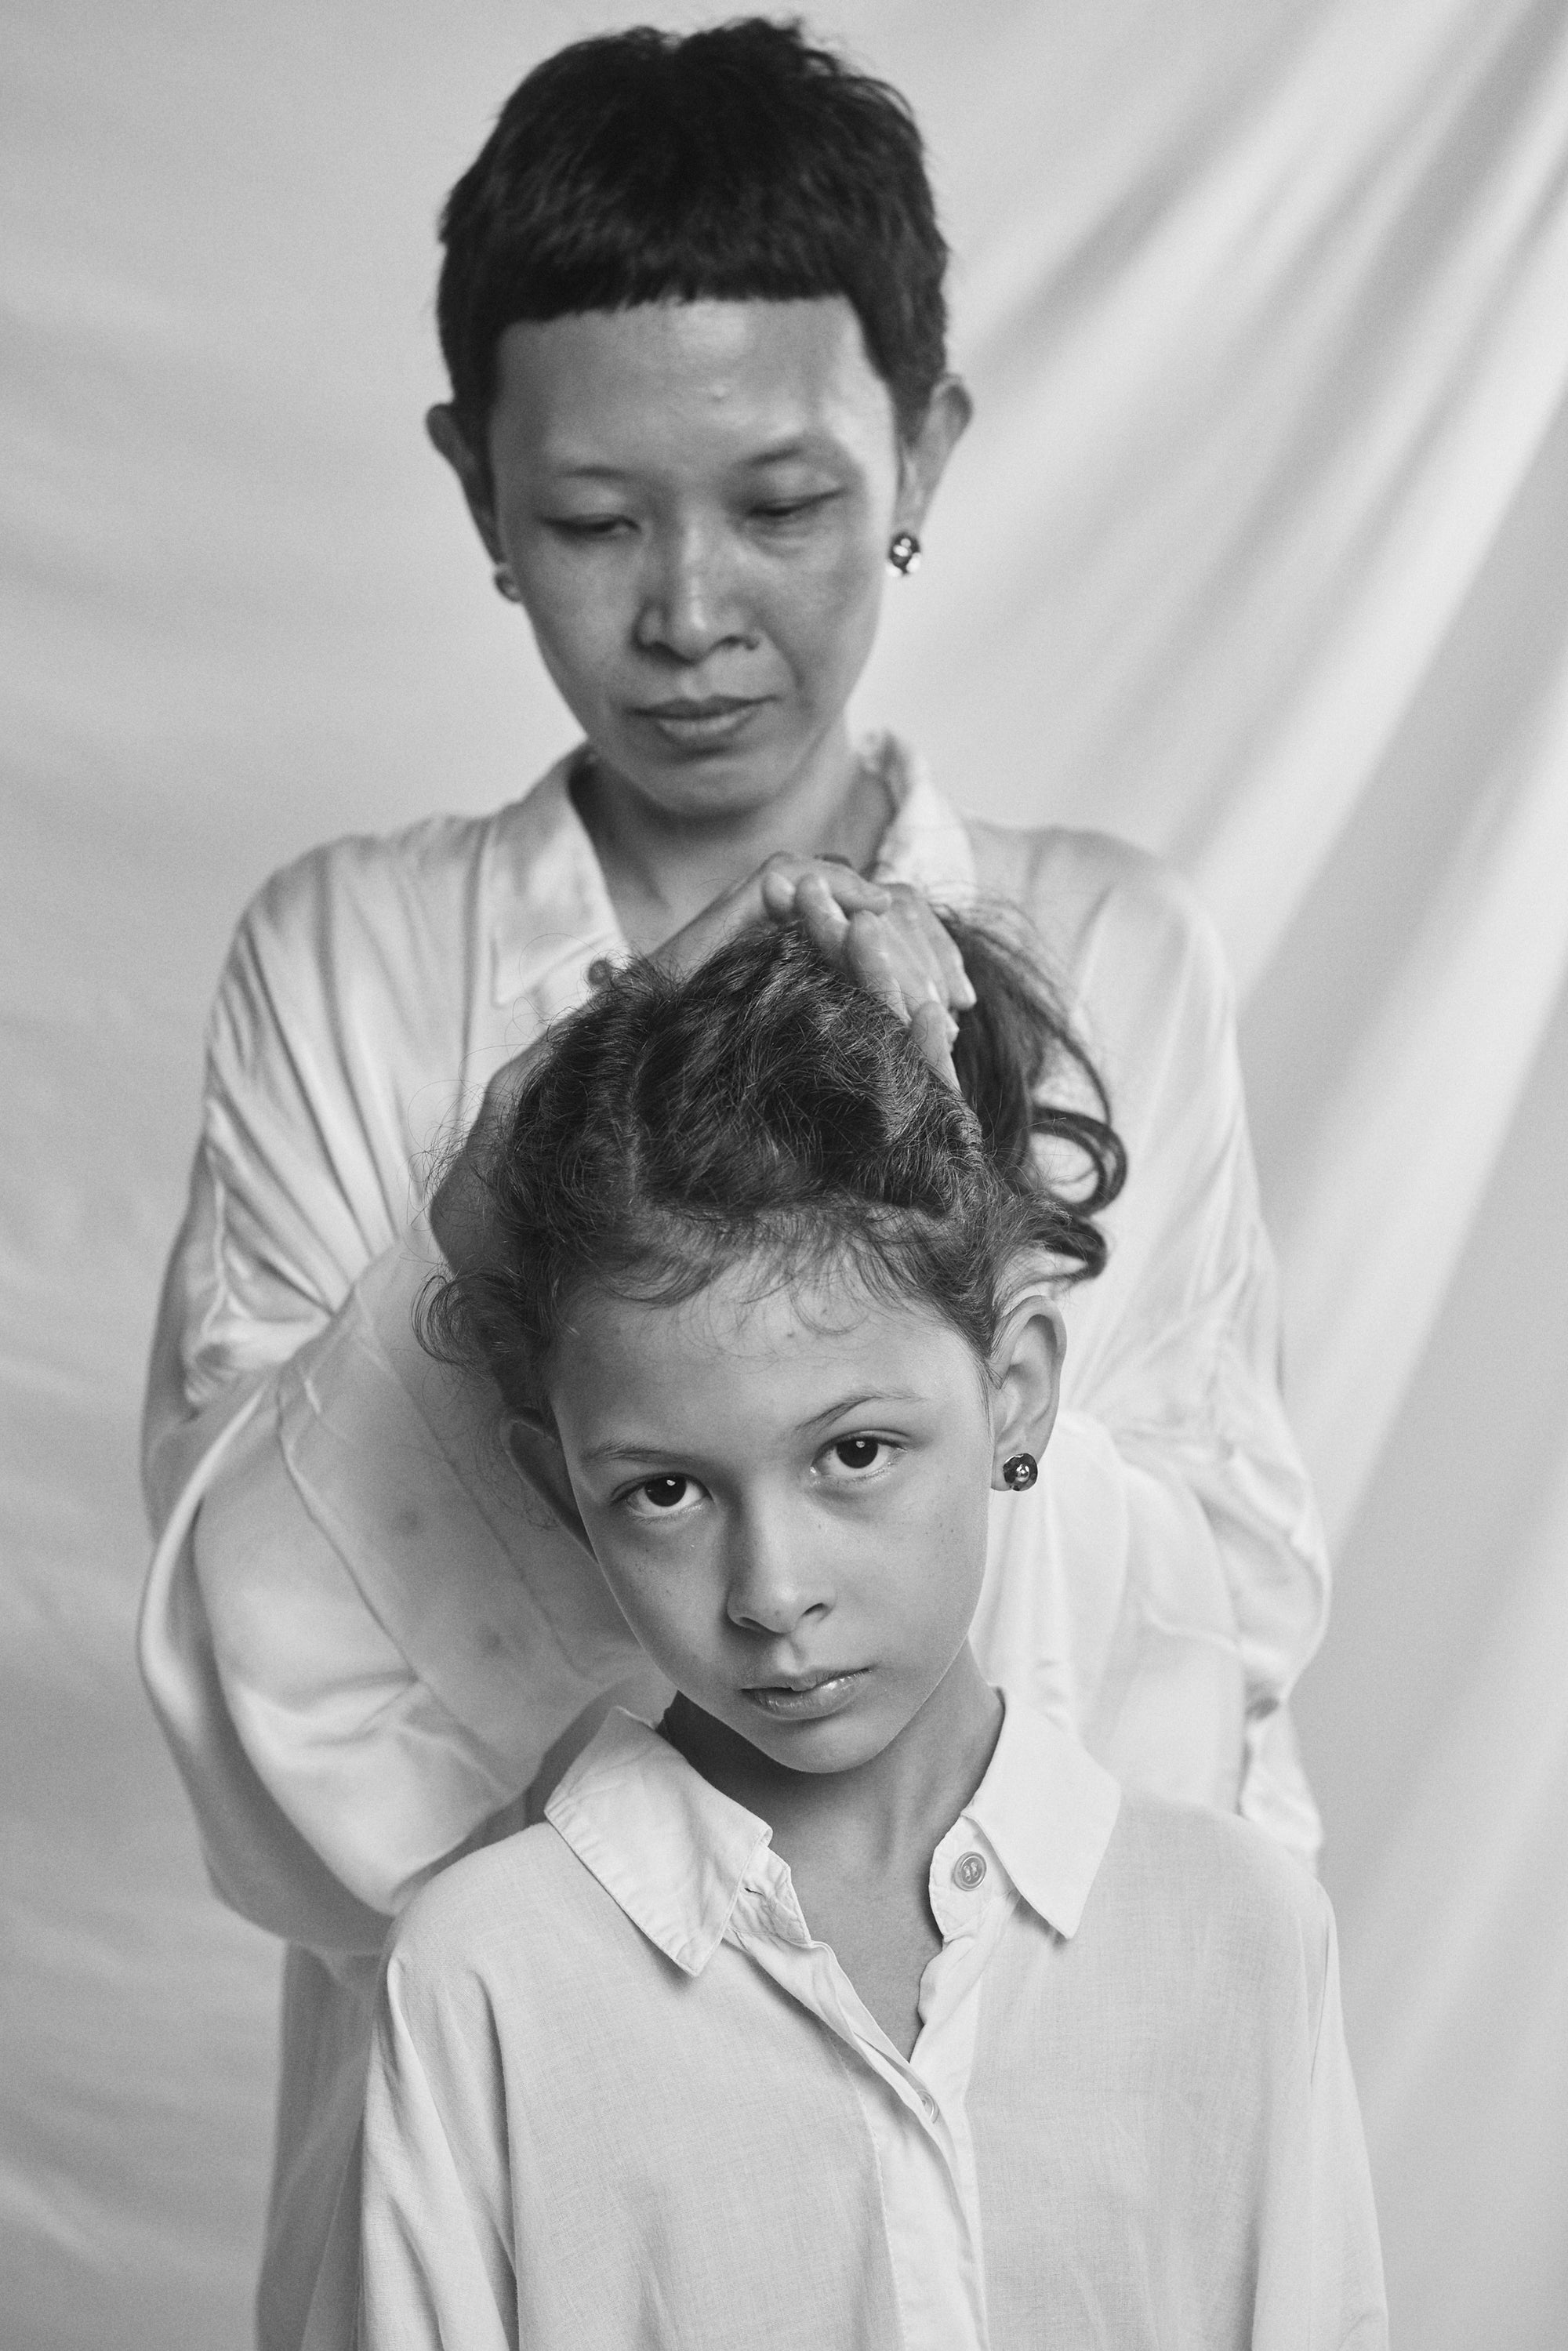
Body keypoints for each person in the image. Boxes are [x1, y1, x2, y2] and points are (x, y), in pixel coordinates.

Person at [136, 20, 1329, 2348]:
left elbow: (1197, 1678)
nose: (689, 610)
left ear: (923, 453)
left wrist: (873, 1228)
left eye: (781, 502)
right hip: (524, 2207)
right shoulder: (348, 965)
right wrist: (549, 1149)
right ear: (476, 486)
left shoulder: (1113, 954)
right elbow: (265, 1753)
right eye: (591, 520)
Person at [358, 917, 1385, 2351]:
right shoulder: (487, 1974)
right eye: (664, 1490)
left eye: (852, 1455)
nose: (771, 1591)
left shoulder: (1240, 1933)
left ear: (1014, 1390)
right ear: (559, 1490)